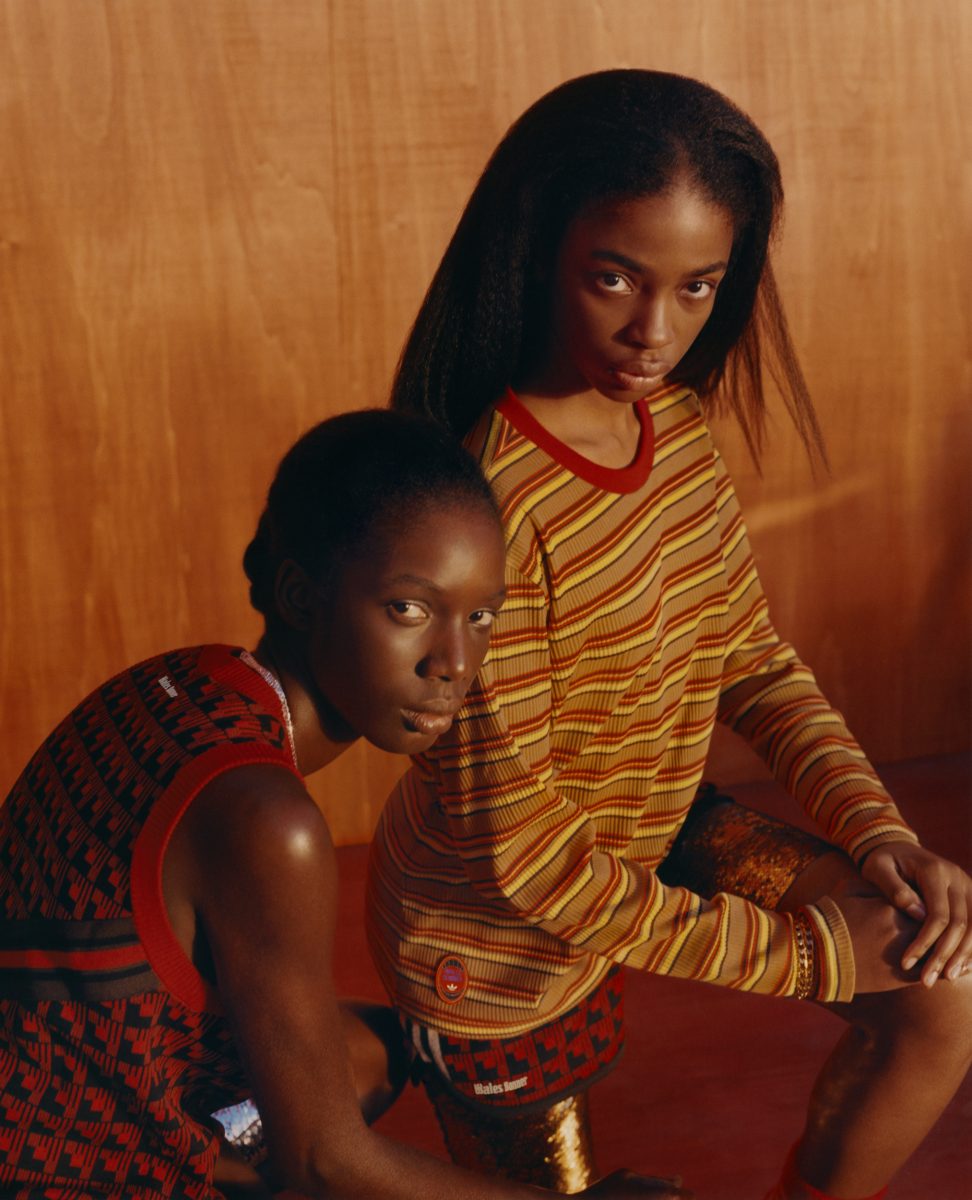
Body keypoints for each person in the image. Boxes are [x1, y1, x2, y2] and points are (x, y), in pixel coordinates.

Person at [366, 70, 972, 1200]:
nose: (656, 333)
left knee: (942, 991)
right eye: (614, 279)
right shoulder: (481, 508)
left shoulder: (673, 427)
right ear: (537, 253)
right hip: (493, 941)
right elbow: (535, 862)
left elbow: (751, 660)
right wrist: (808, 954)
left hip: (651, 831)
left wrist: (878, 833)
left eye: (698, 287)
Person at [0, 410, 683, 1200]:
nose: (453, 663)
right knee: (336, 1116)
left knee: (378, 1051)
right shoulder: (268, 822)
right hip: (49, 1171)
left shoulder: (184, 681)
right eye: (409, 610)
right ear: (300, 594)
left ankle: (213, 1155)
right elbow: (324, 1162)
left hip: (45, 1089)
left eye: (480, 616)